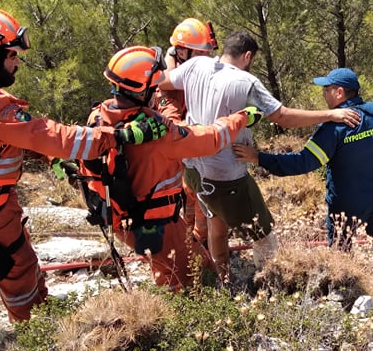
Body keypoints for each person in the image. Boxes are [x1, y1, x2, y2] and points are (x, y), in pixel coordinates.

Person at [0, 7, 168, 322]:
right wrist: (122, 135)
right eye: (12, 56)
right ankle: (32, 328)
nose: (17, 63)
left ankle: (37, 312)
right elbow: (58, 137)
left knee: (20, 260)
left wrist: (47, 157)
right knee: (19, 268)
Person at [158, 31, 360, 280]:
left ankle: (223, 282)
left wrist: (170, 55)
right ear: (248, 55)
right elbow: (282, 116)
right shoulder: (246, 81)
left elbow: (163, 81)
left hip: (193, 170)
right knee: (263, 237)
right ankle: (270, 286)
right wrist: (329, 115)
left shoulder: (195, 65)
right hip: (227, 174)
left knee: (216, 224)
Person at [82, 45, 263, 289]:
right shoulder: (159, 133)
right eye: (154, 87)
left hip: (121, 218)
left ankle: (169, 293)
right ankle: (185, 318)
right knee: (200, 277)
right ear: (143, 90)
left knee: (169, 269)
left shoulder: (100, 116)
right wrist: (242, 117)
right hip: (155, 223)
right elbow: (210, 138)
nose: (157, 90)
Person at [233, 68, 373, 287]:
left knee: (340, 253)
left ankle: (342, 293)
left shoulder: (333, 129)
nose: (324, 94)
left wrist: (258, 158)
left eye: (327, 89)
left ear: (339, 92)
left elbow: (302, 162)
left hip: (346, 205)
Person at [158, 18, 219, 249]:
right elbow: (174, 129)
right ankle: (194, 250)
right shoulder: (167, 89)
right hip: (185, 158)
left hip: (200, 157)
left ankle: (198, 246)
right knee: (190, 205)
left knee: (199, 207)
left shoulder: (197, 73)